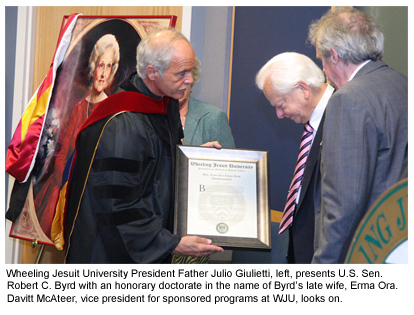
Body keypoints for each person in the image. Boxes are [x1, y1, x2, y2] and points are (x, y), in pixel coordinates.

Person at [64, 28, 224, 263]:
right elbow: (118, 204)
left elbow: (152, 168)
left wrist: (192, 160)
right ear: (152, 73)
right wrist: (171, 243)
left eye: (191, 70)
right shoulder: (123, 124)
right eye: (181, 73)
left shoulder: (162, 105)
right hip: (112, 256)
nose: (190, 80)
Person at [308, 7, 408, 263]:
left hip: (365, 253)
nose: (324, 71)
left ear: (334, 56)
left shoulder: (347, 99)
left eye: (321, 60)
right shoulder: (403, 85)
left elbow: (344, 207)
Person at [32, 34, 120, 243]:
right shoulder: (79, 107)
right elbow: (62, 154)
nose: (103, 74)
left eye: (109, 66)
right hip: (70, 186)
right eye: (101, 65)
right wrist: (70, 184)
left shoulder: (114, 110)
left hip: (100, 195)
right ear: (93, 67)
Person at [256, 52, 334, 263]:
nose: (280, 115)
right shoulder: (313, 122)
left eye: (280, 104)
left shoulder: (342, 115)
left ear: (303, 89)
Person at [179, 57, 235, 148]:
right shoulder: (149, 117)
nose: (181, 82)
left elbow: (230, 161)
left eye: (184, 74)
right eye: (176, 75)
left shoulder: (213, 118)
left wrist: (201, 159)